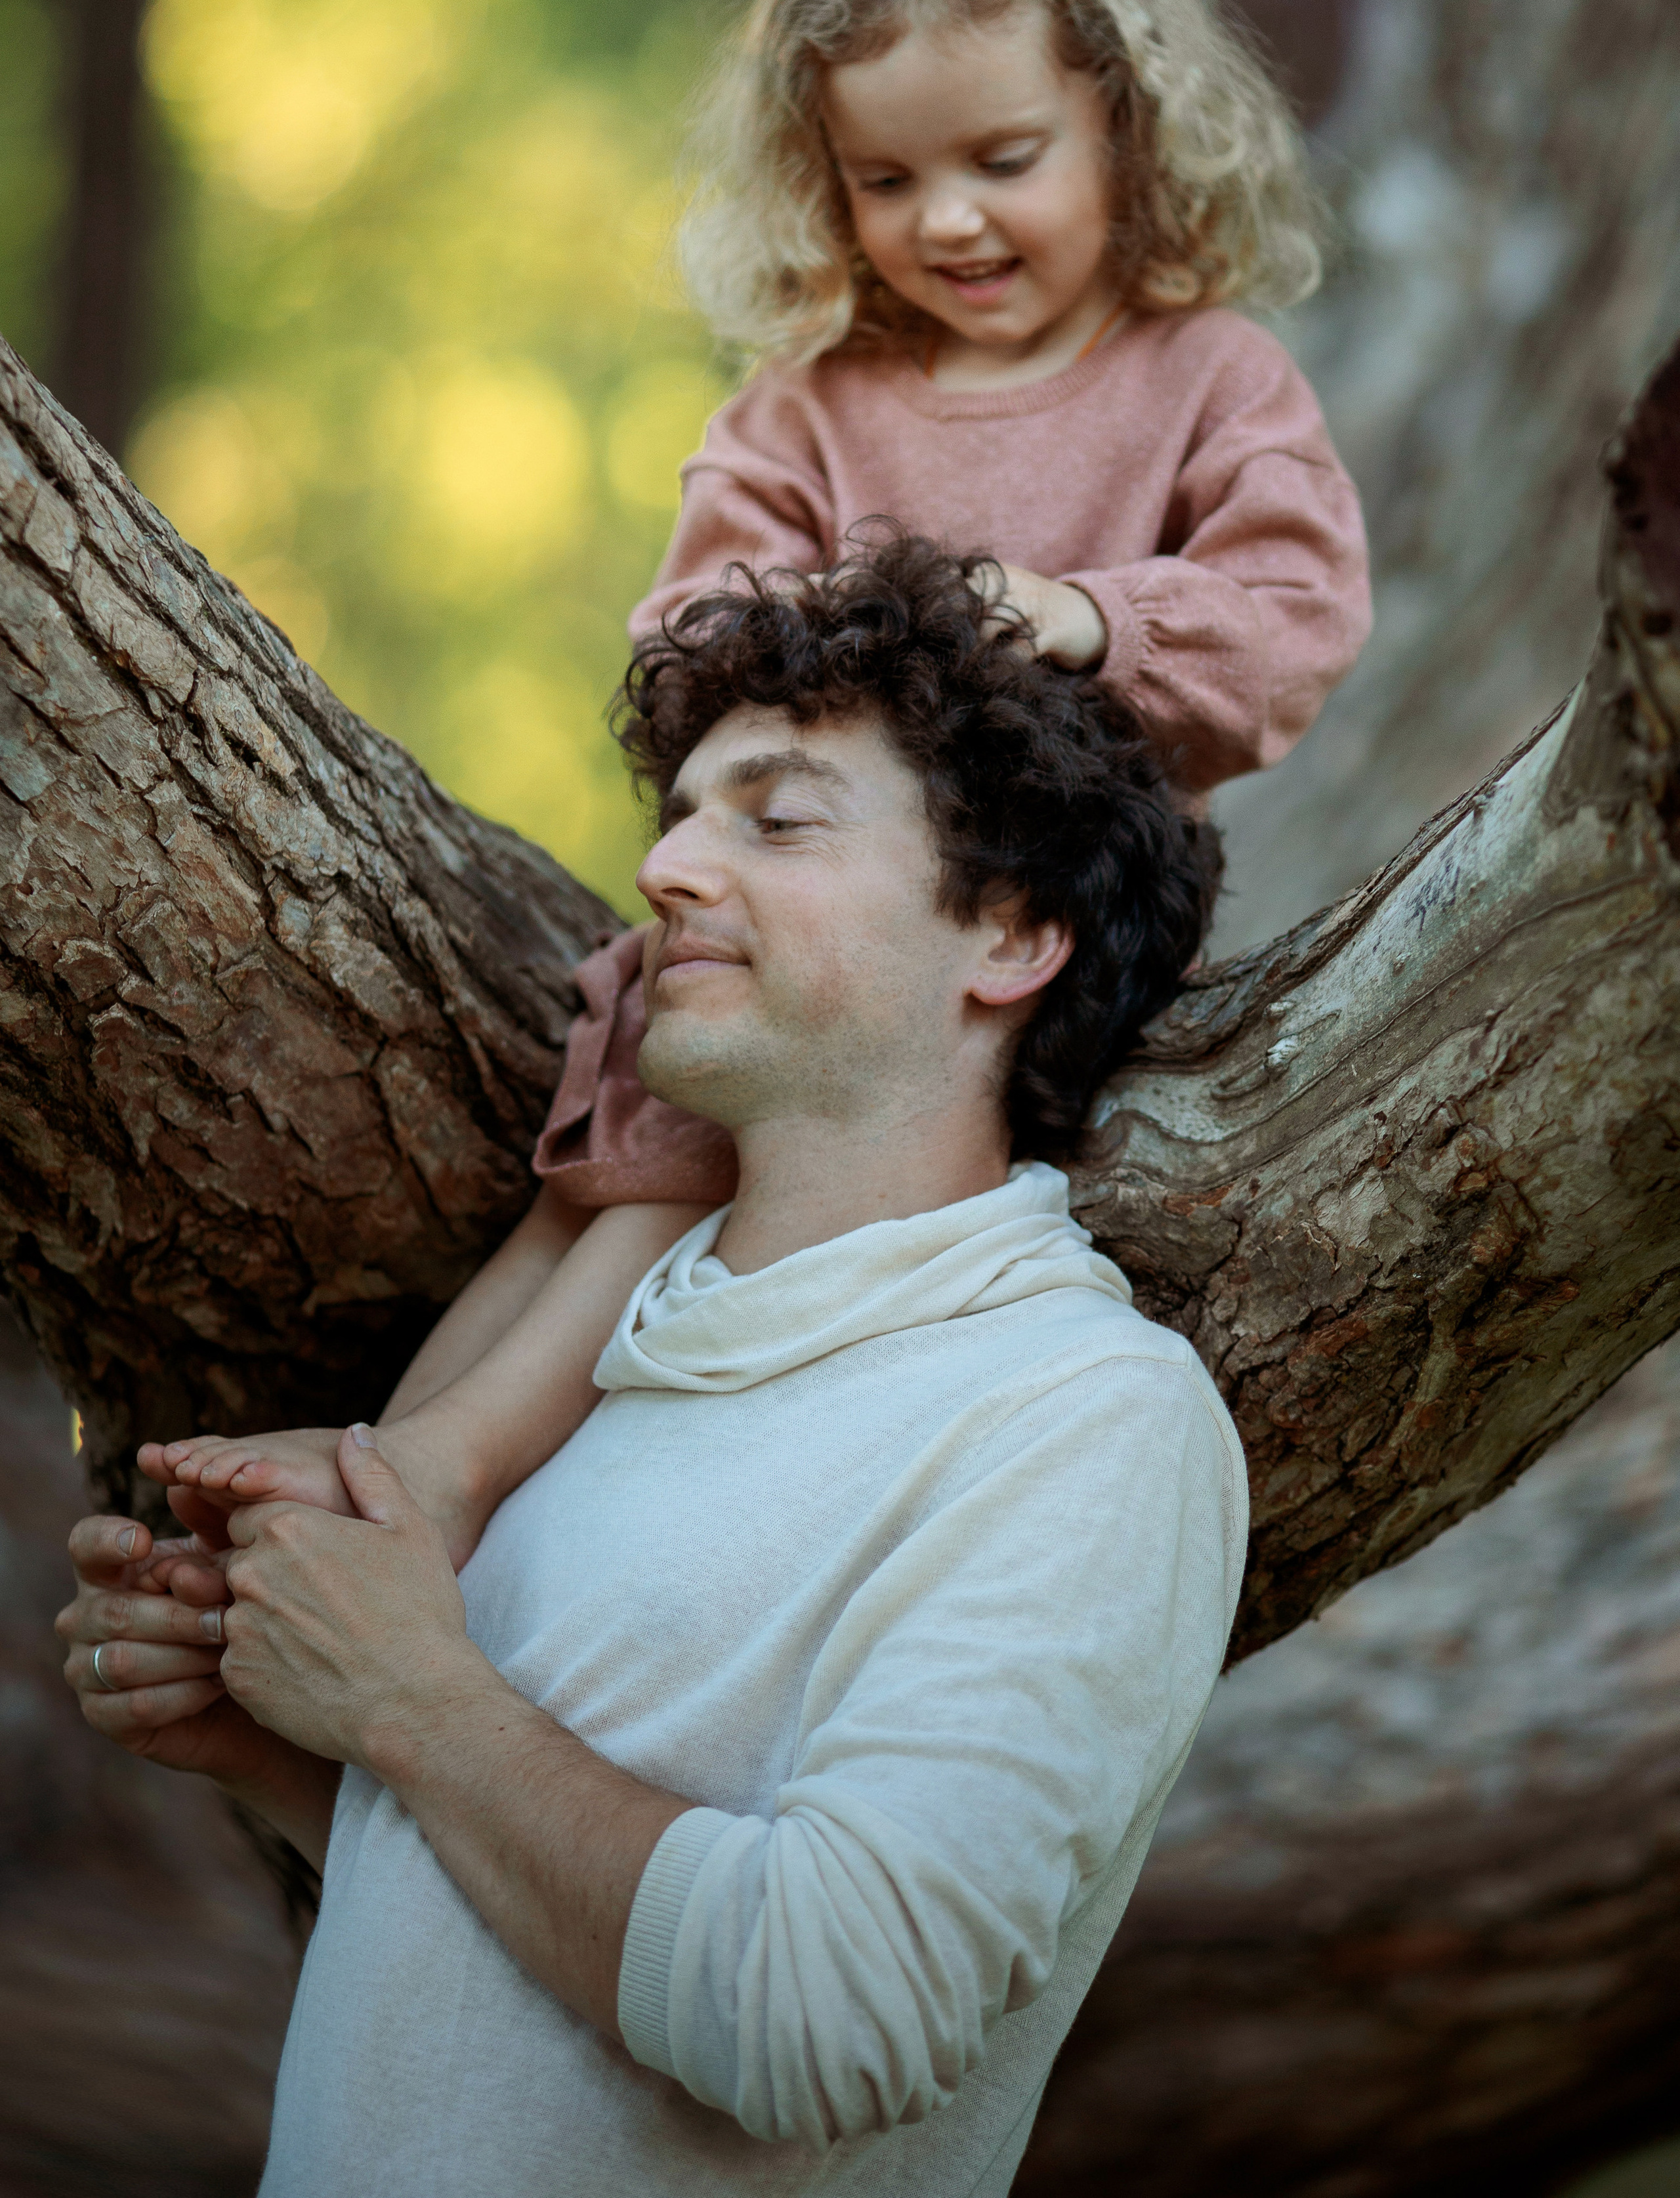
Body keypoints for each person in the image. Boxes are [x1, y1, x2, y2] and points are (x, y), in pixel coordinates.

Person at [137, 0, 1368, 1563]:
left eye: (1003, 158)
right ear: (823, 171)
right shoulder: (807, 407)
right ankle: (376, 1471)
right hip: (790, 886)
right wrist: (821, 640)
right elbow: (688, 635)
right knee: (594, 1183)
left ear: (1129, 114)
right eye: (886, 180)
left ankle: (439, 1483)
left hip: (1007, 922)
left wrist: (1086, 616)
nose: (948, 219)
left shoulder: (1207, 380)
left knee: (691, 1163)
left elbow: (1293, 617)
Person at [60, 539, 1248, 2195]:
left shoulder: (1076, 1418)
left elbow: (826, 2025)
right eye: (679, 818)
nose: (675, 870)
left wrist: (412, 1698)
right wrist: (284, 1723)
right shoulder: (612, 1356)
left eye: (775, 819)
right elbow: (529, 1928)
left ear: (1009, 933)